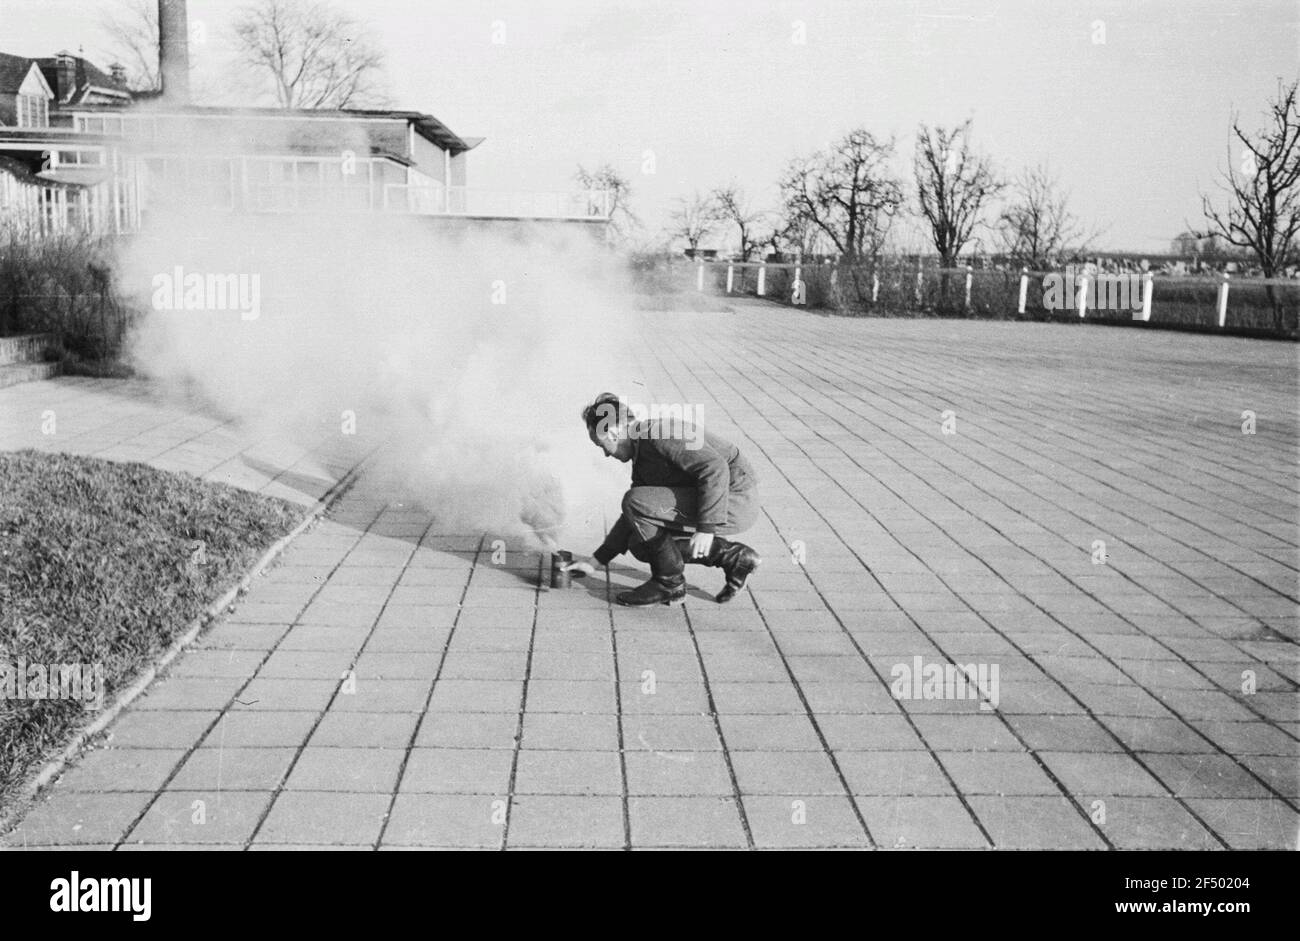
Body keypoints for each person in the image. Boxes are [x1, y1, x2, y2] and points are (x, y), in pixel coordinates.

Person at [566, 392, 761, 607]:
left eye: (602, 446)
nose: (605, 454)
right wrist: (595, 562)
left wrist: (706, 528)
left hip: (734, 500)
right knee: (639, 541)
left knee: (635, 501)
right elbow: (634, 515)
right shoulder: (641, 451)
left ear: (612, 433)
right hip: (715, 497)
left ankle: (669, 584)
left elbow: (714, 468)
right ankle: (734, 558)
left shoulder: (659, 434)